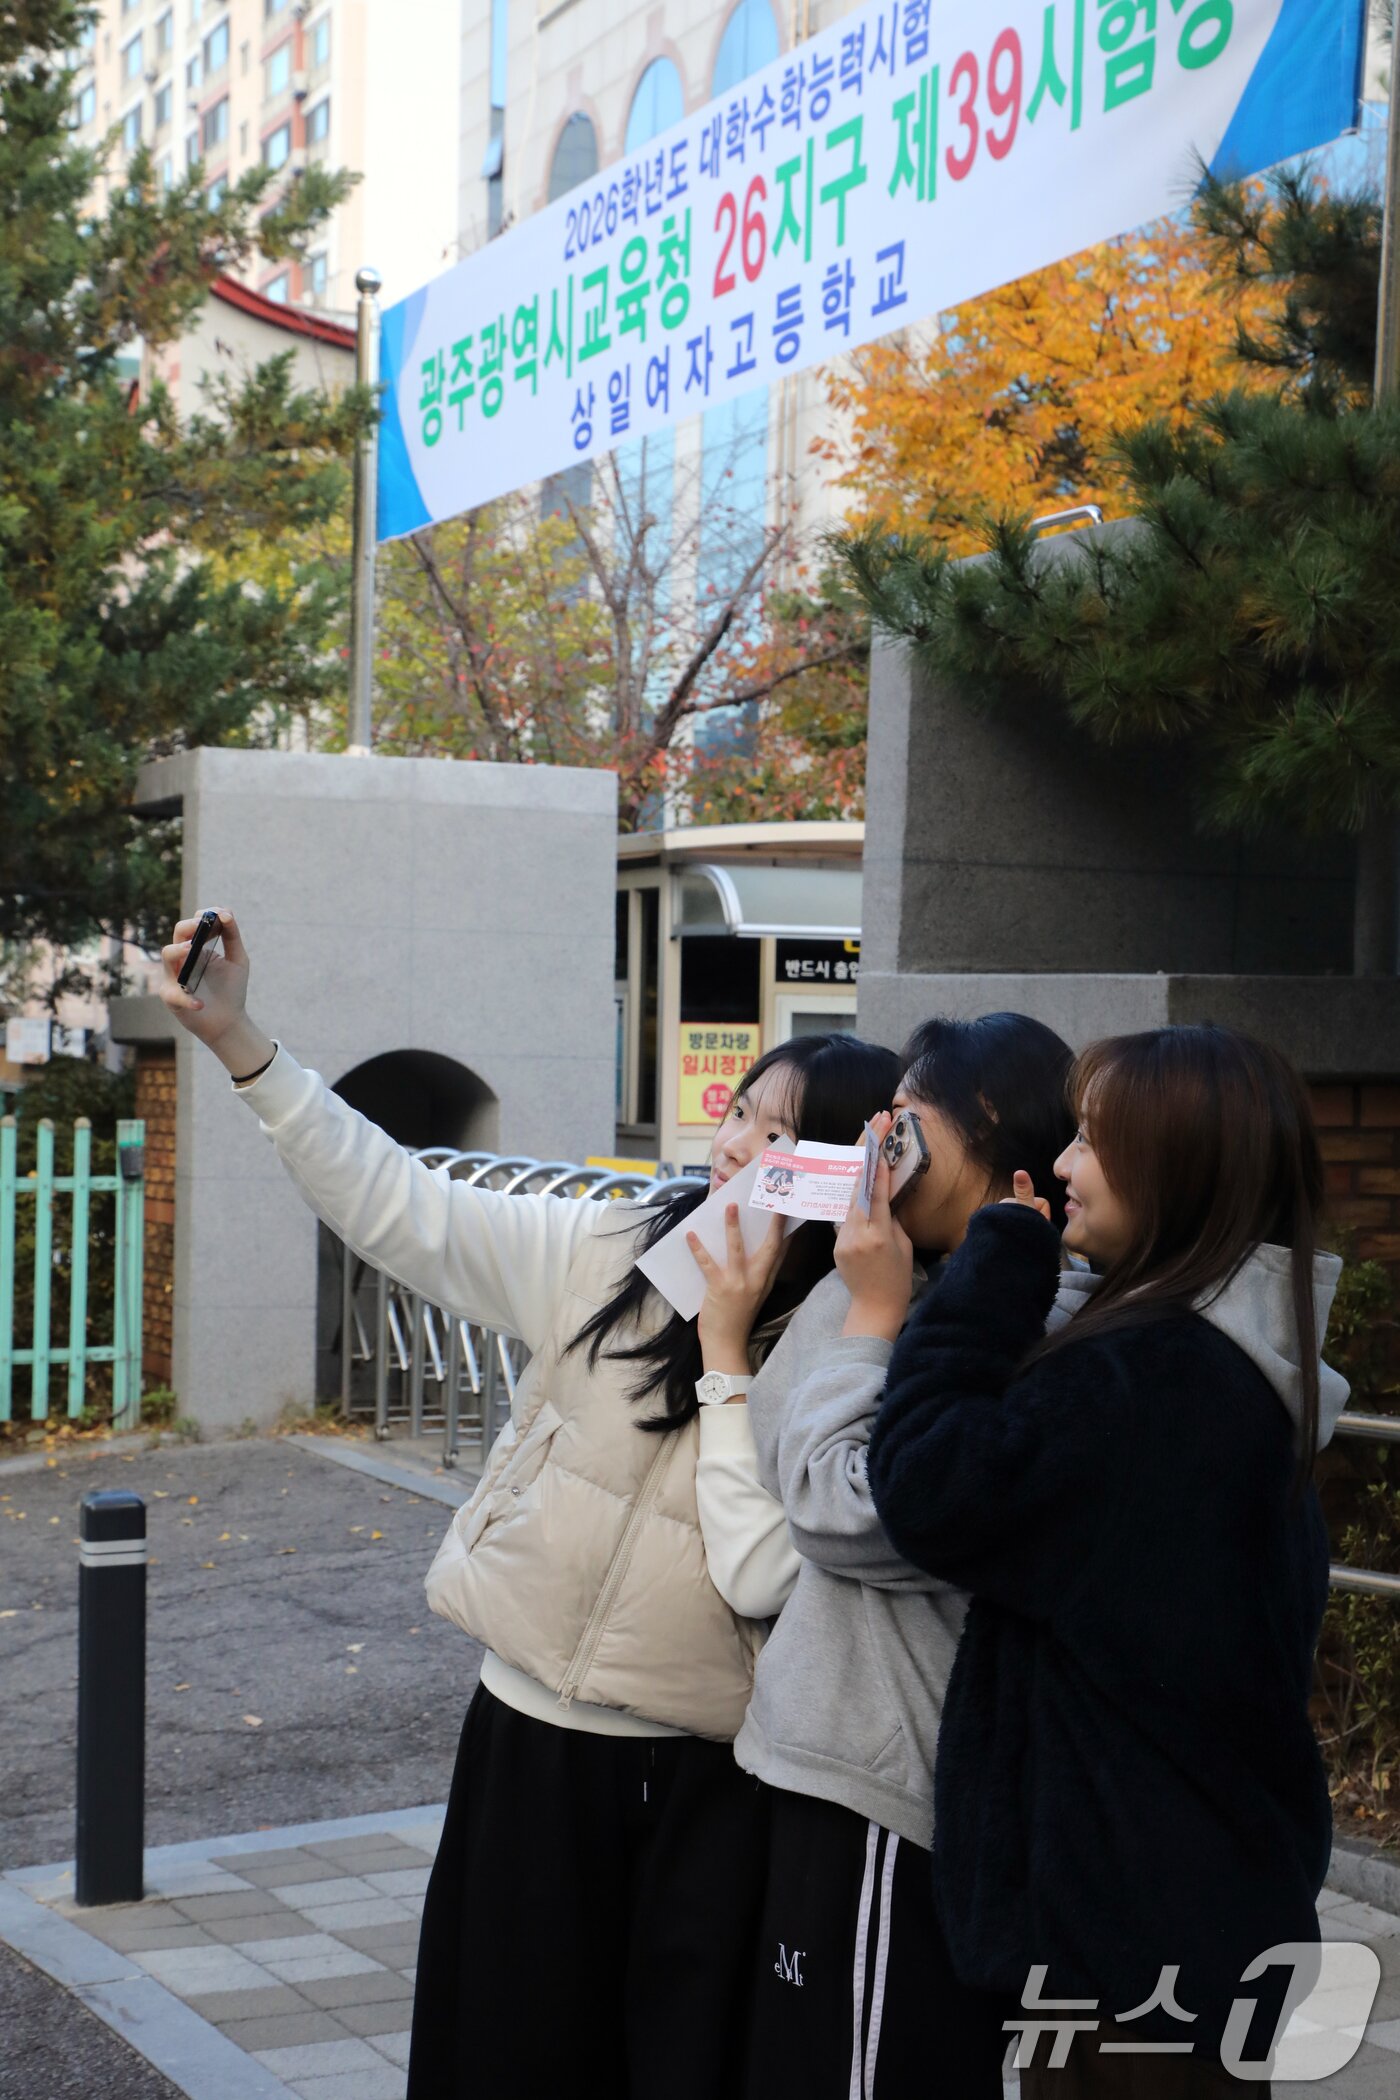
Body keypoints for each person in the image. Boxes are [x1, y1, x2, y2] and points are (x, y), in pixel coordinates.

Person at [157, 908, 900, 2100]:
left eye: (779, 1132)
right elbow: (398, 1200)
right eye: (737, 1114)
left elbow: (768, 1565)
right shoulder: (606, 1248)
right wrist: (242, 1039)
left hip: (710, 1776)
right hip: (527, 1742)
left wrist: (729, 1353)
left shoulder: (852, 1338)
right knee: (499, 2056)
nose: (736, 1148)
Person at [865, 1026, 1350, 2096]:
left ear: (1179, 1165)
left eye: (1094, 1140)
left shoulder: (1154, 1377)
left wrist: (991, 1268)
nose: (1068, 1166)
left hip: (1126, 1944)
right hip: (1195, 1910)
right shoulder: (1235, 1349)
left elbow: (929, 1485)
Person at [687, 1013, 1080, 2098]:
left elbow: (839, 1511)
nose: (878, 1148)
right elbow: (779, 1442)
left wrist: (869, 1311)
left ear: (993, 1131)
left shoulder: (1023, 1312)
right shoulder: (923, 1282)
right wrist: (860, 1292)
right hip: (837, 1763)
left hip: (890, 1788)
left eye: (903, 1124)